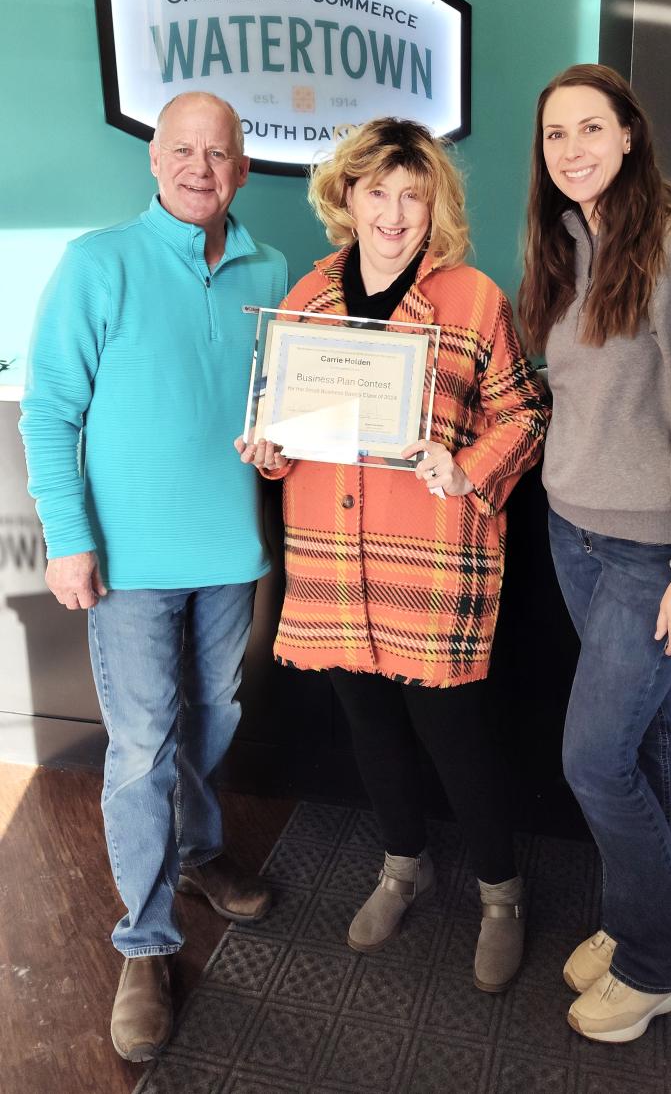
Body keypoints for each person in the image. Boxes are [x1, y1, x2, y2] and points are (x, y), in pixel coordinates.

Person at [236, 117, 551, 993]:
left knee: (458, 739)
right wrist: (270, 449)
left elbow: (525, 413)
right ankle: (401, 866)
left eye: (414, 195)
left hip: (432, 561)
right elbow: (282, 427)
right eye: (378, 190)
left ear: (435, 207)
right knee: (371, 729)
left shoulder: (474, 298)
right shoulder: (303, 300)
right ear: (347, 195)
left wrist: (467, 464)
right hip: (335, 561)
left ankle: (502, 895)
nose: (394, 211)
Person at [19, 92, 287, 1062]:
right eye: (182, 150)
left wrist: (277, 452)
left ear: (242, 171)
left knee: (209, 717)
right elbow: (48, 412)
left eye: (218, 154)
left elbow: (275, 412)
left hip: (227, 552)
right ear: (154, 160)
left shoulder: (272, 269)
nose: (199, 167)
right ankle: (144, 940)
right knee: (139, 744)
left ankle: (197, 847)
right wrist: (69, 536)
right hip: (124, 562)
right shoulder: (99, 262)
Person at [517, 63, 671, 1042]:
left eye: (589, 128)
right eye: (553, 135)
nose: (570, 148)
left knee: (593, 762)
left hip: (649, 560)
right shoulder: (568, 247)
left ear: (627, 135)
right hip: (571, 537)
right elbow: (573, 397)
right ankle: (633, 924)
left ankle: (661, 966)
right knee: (641, 746)